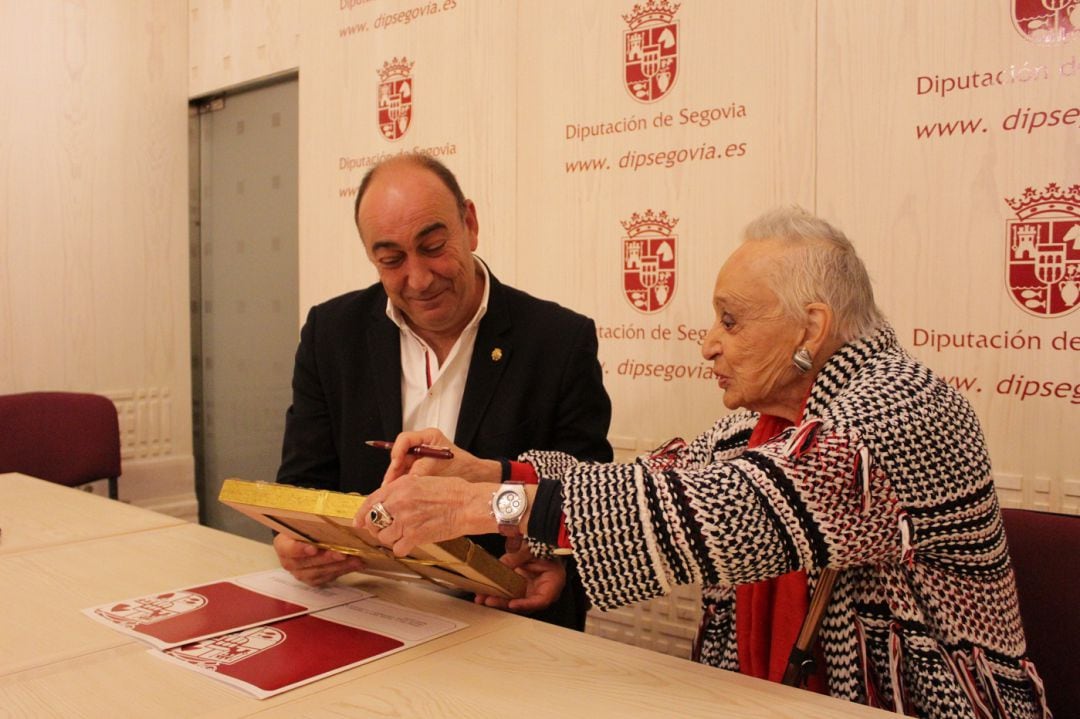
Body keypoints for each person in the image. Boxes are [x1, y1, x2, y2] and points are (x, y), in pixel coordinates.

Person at [358, 207, 1049, 718]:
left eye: (731, 319)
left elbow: (733, 510)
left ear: (811, 327)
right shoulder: (763, 422)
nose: (708, 344)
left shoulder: (904, 409)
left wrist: (483, 507)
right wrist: (494, 474)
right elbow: (670, 480)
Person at [274, 153, 613, 630]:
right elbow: (302, 483)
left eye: (433, 246)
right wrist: (295, 541)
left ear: (469, 224)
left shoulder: (558, 340)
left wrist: (556, 564)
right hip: (368, 609)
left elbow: (589, 495)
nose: (419, 279)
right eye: (391, 260)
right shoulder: (331, 333)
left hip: (498, 619)